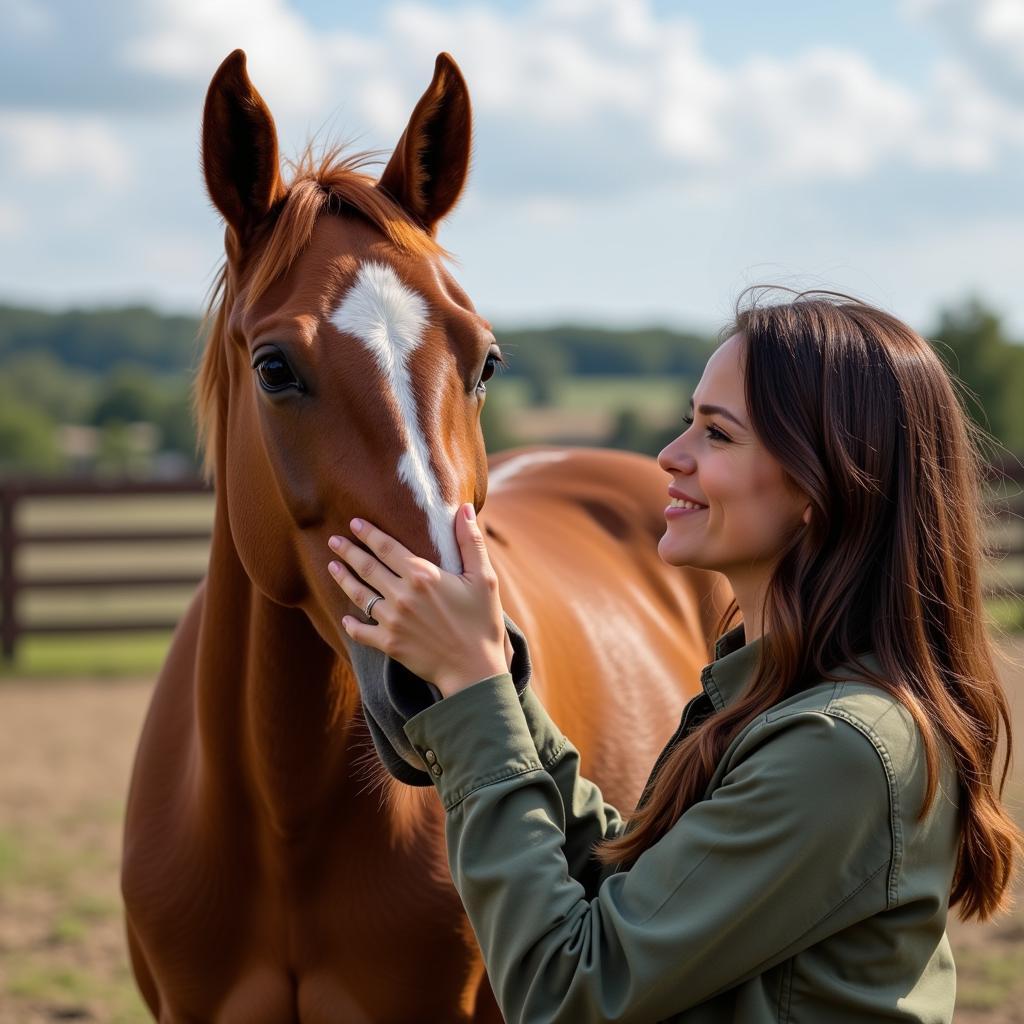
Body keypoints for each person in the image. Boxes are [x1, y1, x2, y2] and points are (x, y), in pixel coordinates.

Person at [326, 291, 1021, 1023]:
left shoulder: (843, 748)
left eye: (716, 435)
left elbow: (569, 993)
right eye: (689, 420)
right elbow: (628, 879)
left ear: (823, 484)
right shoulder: (780, 702)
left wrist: (473, 698)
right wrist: (498, 675)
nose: (669, 454)